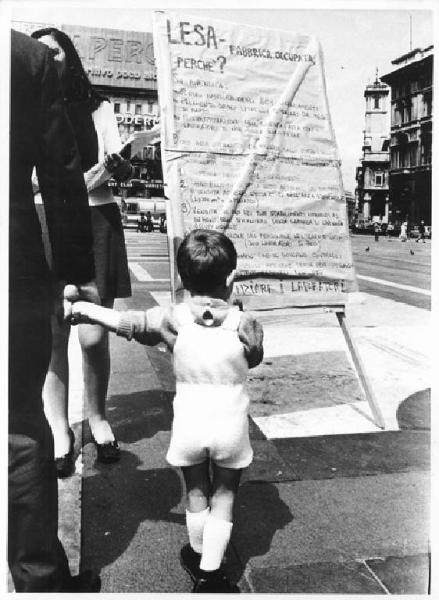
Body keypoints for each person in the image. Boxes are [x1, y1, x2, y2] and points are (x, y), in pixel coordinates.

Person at [69, 229, 264, 593]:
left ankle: (196, 550)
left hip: (189, 425)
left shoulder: (173, 319)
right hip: (231, 426)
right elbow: (253, 359)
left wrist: (87, 311)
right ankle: (210, 574)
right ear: (231, 278)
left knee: (195, 492)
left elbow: (130, 324)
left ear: (180, 280)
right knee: (224, 495)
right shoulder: (245, 324)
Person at [9, 29, 101, 592]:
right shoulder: (25, 57)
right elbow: (60, 172)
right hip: (10, 259)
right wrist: (75, 270)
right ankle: (39, 577)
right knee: (19, 424)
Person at [31, 27, 133, 473]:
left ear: (69, 57)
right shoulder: (23, 105)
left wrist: (119, 165)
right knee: (55, 335)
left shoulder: (99, 106)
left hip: (96, 217)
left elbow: (119, 165)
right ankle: (59, 427)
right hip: (46, 219)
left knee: (94, 335)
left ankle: (97, 416)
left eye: (55, 51)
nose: (49, 58)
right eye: (41, 53)